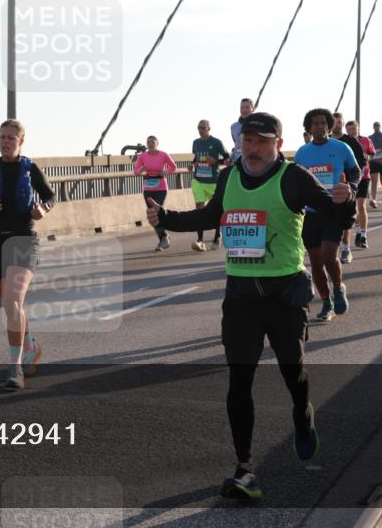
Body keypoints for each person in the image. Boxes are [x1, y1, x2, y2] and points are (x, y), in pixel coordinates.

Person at [146, 112, 354, 500]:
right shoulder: (229, 176)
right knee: (239, 379)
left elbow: (334, 213)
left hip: (284, 293)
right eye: (248, 140)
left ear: (278, 143)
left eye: (261, 141)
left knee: (294, 373)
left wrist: (347, 201)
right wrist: (168, 219)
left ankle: (302, 414)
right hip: (241, 296)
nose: (253, 149)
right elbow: (211, 215)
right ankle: (245, 469)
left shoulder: (292, 178)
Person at [0, 120, 55, 389]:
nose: (5, 141)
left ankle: (14, 367)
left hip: (24, 241)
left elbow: (50, 196)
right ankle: (30, 345)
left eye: (11, 138)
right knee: (10, 306)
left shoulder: (30, 168)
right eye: (2, 137)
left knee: (13, 301)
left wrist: (43, 209)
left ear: (21, 142)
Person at [295, 109, 360, 320]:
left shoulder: (342, 148)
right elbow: (295, 182)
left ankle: (339, 287)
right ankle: (326, 302)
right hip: (311, 212)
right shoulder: (302, 153)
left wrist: (350, 187)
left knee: (328, 255)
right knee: (315, 261)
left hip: (334, 208)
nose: (320, 126)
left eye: (323, 123)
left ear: (329, 125)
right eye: (315, 123)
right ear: (309, 128)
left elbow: (356, 171)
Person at [188, 120, 229, 251]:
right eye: (199, 128)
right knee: (199, 210)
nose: (201, 130)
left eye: (203, 128)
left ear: (209, 128)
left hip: (213, 182)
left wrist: (217, 161)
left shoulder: (216, 142)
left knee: (216, 210)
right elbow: (197, 158)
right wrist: (192, 164)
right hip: (198, 180)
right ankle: (200, 240)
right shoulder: (196, 143)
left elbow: (228, 159)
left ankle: (218, 235)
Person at [331, 113, 366, 262]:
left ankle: (346, 249)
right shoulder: (325, 142)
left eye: (340, 122)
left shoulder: (350, 141)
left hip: (346, 185)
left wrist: (353, 182)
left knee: (345, 217)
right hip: (327, 186)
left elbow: (362, 162)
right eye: (335, 122)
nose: (337, 124)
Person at [133, 135, 177, 251]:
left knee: (157, 212)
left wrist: (165, 171)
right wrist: (140, 170)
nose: (150, 143)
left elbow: (173, 167)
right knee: (152, 214)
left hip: (161, 187)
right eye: (148, 142)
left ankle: (162, 238)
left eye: (152, 141)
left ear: (157, 143)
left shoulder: (163, 155)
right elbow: (135, 172)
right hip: (148, 187)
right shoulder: (143, 156)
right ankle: (163, 237)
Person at [346, 120, 377, 248]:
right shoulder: (344, 142)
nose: (352, 131)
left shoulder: (366, 140)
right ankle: (358, 231)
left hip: (364, 176)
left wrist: (368, 157)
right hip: (351, 178)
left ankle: (363, 236)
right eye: (349, 129)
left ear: (358, 129)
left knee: (361, 206)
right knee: (353, 207)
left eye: (354, 128)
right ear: (346, 130)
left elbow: (373, 154)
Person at [229, 98, 255, 165]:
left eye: (247, 107)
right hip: (237, 162)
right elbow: (237, 145)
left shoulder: (257, 125)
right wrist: (231, 158)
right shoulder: (233, 127)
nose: (244, 110)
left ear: (252, 109)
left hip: (252, 162)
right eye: (242, 107)